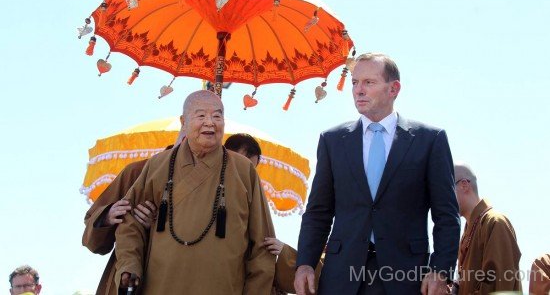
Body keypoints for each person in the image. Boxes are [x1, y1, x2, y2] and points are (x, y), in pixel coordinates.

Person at [295, 52, 460, 294]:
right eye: (354, 82)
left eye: (368, 83)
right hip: (342, 278)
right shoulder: (332, 141)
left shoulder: (430, 140)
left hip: (406, 277)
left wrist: (440, 269)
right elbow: (318, 211)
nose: (358, 90)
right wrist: (305, 263)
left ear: (394, 89)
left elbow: (446, 215)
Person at [115, 90, 275, 294]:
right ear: (183, 121)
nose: (210, 123)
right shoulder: (158, 165)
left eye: (217, 116)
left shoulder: (244, 171)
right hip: (161, 286)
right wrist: (129, 266)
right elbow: (129, 223)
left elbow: (263, 245)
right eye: (201, 115)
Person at [224, 133, 323, 294]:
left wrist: (284, 251)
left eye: (251, 169)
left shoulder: (252, 197)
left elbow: (261, 246)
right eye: (242, 164)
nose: (246, 173)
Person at [82, 156, 160, 294]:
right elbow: (92, 239)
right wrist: (107, 216)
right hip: (126, 276)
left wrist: (157, 226)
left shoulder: (209, 179)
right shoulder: (137, 171)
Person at [453, 162, 522, 294]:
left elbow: (498, 287)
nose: (443, 198)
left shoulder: (495, 223)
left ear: (464, 185)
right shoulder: (468, 231)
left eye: (446, 189)